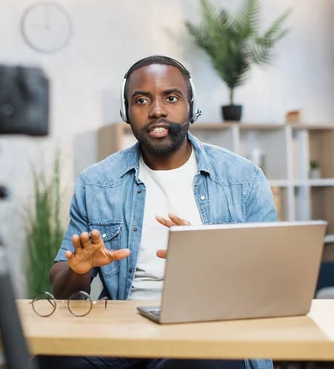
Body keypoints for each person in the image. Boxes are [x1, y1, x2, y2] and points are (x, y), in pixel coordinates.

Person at [38, 55, 278, 369]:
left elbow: (272, 282)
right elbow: (62, 287)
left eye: (171, 97)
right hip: (122, 335)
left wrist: (213, 260)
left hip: (207, 329)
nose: (157, 110)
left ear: (191, 105)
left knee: (207, 362)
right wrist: (80, 269)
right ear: (126, 112)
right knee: (50, 362)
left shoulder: (243, 178)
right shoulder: (96, 182)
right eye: (141, 100)